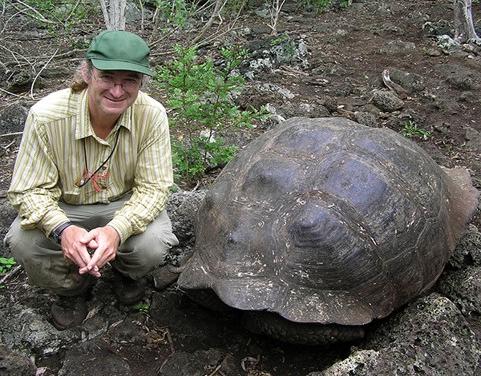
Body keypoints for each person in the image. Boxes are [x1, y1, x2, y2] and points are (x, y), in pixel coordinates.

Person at [4, 30, 179, 330]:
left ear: (141, 83)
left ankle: (125, 274)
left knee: (153, 242)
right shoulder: (46, 116)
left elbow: (154, 188)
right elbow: (28, 190)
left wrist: (116, 231)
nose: (117, 90)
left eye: (130, 81)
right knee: (23, 241)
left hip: (122, 205)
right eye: (108, 77)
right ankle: (72, 288)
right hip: (65, 207)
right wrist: (62, 230)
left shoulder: (151, 116)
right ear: (86, 73)